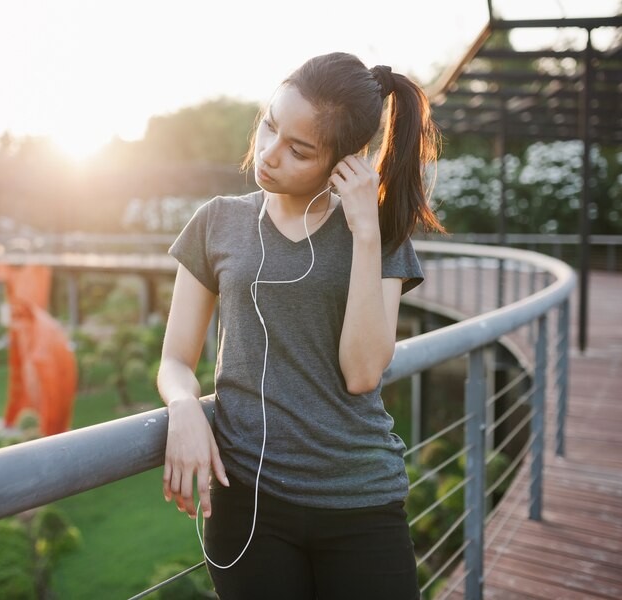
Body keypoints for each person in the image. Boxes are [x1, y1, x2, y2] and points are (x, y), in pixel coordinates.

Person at [157, 51, 444, 599]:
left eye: (299, 149)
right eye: (269, 125)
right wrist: (185, 407)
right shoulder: (217, 222)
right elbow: (175, 361)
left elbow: (362, 373)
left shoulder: (379, 235)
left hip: (360, 500)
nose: (268, 154)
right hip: (249, 504)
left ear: (343, 161)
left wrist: (363, 234)